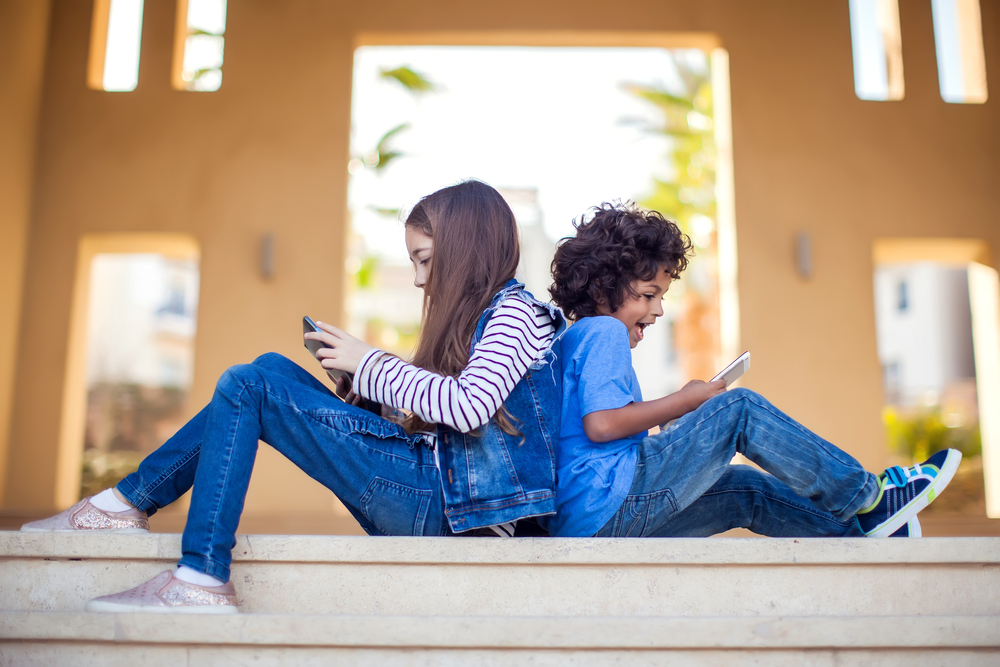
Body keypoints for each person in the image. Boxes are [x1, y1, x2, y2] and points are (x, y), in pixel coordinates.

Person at [22, 180, 566, 612]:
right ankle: (125, 506)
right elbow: (459, 414)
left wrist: (369, 363)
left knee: (248, 383)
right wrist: (367, 392)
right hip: (439, 499)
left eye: (425, 259)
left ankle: (194, 570)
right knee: (267, 370)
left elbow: (466, 407)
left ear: (464, 249)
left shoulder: (516, 311)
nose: (420, 279)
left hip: (451, 515)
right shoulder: (491, 317)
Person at [540, 201, 960, 539]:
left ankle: (859, 534)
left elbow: (598, 432)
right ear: (600, 288)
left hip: (593, 524)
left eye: (662, 296)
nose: (659, 310)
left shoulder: (576, 339)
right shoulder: (604, 332)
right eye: (649, 295)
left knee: (743, 491)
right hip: (611, 502)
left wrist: (679, 416)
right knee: (737, 408)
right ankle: (867, 496)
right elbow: (602, 425)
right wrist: (684, 401)